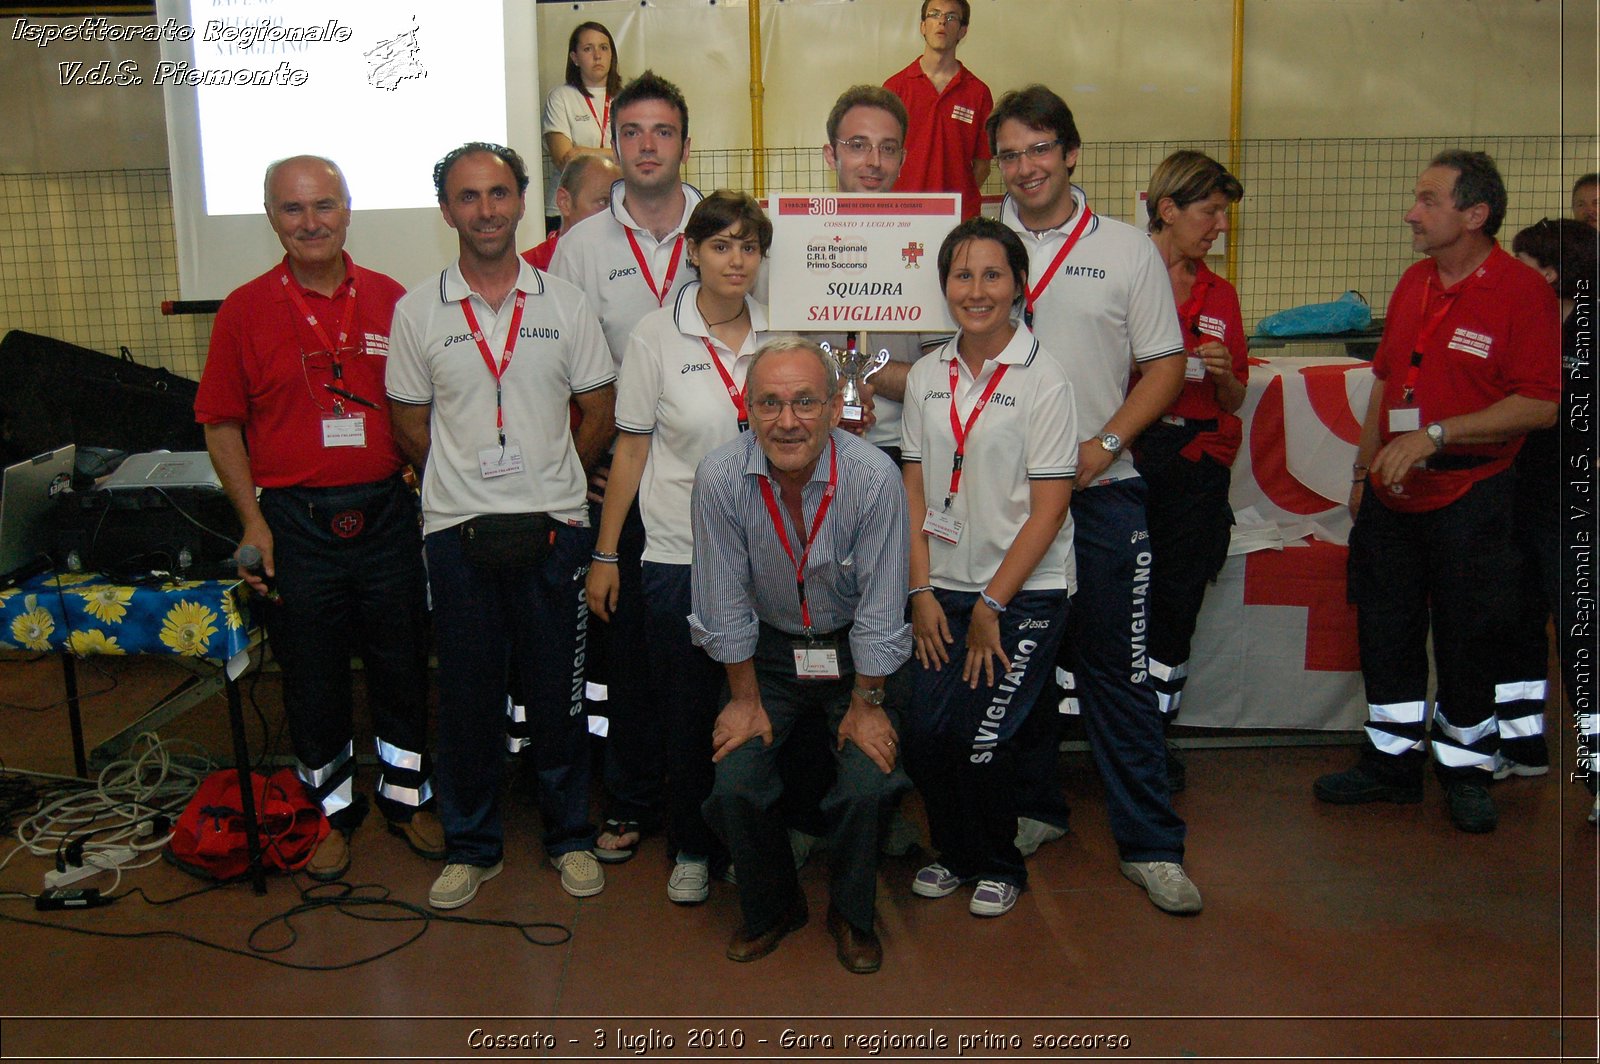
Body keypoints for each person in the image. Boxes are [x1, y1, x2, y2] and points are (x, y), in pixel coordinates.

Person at [195, 155, 439, 883]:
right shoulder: (243, 310)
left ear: (348, 210)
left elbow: (425, 408)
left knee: (401, 663)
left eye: (324, 206)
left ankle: (406, 797)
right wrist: (253, 524)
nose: (311, 222)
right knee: (312, 675)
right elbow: (221, 425)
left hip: (387, 513)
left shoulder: (395, 300)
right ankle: (324, 813)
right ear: (273, 217)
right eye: (294, 209)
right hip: (294, 522)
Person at [386, 142, 618, 908]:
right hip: (456, 532)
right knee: (468, 696)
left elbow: (601, 409)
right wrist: (461, 481)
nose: (485, 210)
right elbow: (409, 422)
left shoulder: (566, 303)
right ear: (447, 209)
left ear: (523, 201)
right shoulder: (417, 310)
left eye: (498, 193)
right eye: (467, 197)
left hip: (555, 525)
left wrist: (556, 473)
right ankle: (474, 844)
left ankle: (569, 838)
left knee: (560, 695)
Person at [989, 85, 1199, 915]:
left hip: (1101, 496)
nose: (1027, 167)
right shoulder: (977, 244)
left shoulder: (1124, 250)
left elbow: (1167, 364)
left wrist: (1103, 446)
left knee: (1116, 674)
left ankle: (1151, 844)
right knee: (1017, 666)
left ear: (1071, 154)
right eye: (1010, 154)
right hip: (1003, 503)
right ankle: (1036, 809)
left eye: (1040, 149)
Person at [1313, 150, 1560, 834]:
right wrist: (1364, 473)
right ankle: (1390, 765)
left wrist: (1439, 436)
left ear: (1475, 215)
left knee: (1468, 639)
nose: (1410, 213)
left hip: (1473, 497)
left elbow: (1541, 403)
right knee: (1386, 632)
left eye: (1427, 200)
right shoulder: (1415, 282)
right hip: (1394, 501)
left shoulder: (1521, 293)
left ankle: (1466, 770)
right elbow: (1388, 382)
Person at [689, 338, 911, 974]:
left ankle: (851, 913)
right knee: (735, 780)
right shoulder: (721, 477)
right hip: (767, 653)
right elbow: (722, 597)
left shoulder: (873, 478)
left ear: (834, 409)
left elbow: (880, 604)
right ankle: (773, 908)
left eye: (806, 402)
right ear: (748, 409)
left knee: (869, 783)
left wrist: (868, 705)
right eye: (771, 403)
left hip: (853, 655)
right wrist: (743, 698)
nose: (788, 421)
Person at [585, 191, 774, 905]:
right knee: (688, 709)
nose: (736, 259)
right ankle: (692, 846)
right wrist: (607, 554)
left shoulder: (781, 333)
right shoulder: (654, 336)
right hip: (676, 555)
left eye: (749, 246)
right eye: (721, 244)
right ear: (693, 252)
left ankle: (743, 838)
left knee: (761, 703)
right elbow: (631, 448)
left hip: (767, 556)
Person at [901, 218, 1077, 919]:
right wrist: (919, 589)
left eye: (992, 275)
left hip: (1022, 593)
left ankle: (998, 862)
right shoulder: (925, 374)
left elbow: (1051, 507)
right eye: (962, 275)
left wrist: (991, 604)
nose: (976, 291)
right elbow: (914, 493)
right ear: (944, 286)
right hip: (940, 584)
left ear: (1019, 286)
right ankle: (952, 852)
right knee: (925, 734)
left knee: (983, 738)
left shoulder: (1046, 378)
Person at [550, 71, 702, 862]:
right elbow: (564, 373)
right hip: (624, 474)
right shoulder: (578, 249)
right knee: (634, 652)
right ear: (617, 144)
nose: (648, 146)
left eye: (663, 132)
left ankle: (710, 805)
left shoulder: (721, 227)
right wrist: (587, 467)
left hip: (717, 475)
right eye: (634, 133)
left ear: (684, 141)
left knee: (717, 643)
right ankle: (633, 800)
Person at [1135, 151, 1248, 792]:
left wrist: (1228, 375)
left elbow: (1234, 398)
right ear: (1169, 209)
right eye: (1210, 212)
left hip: (1198, 468)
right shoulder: (1124, 275)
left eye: (1223, 215)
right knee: (1110, 598)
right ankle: (1084, 731)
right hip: (1131, 459)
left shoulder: (1220, 294)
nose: (1219, 227)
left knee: (1177, 605)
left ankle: (1155, 734)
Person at [1503, 217, 1597, 808]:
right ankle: (1521, 745)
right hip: (1519, 496)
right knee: (1513, 626)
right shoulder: (1526, 325)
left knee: (1581, 635)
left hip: (1578, 509)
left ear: (1555, 272)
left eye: (1524, 264)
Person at [884, 0, 993, 221]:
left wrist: (955, 200)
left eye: (951, 17)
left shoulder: (978, 92)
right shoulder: (894, 89)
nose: (942, 21)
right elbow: (882, 158)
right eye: (934, 14)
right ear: (923, 26)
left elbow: (982, 166)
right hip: (903, 217)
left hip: (959, 219)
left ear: (963, 31)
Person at [541, 21, 620, 234]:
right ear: (574, 58)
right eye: (588, 48)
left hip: (616, 207)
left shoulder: (627, 98)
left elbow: (635, 157)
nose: (597, 55)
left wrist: (584, 152)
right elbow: (565, 160)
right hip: (567, 211)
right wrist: (616, 155)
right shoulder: (561, 97)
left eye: (604, 48)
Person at [522, 154, 621, 271]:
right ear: (565, 202)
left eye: (620, 204)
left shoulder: (629, 261)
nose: (616, 213)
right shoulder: (524, 273)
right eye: (603, 202)